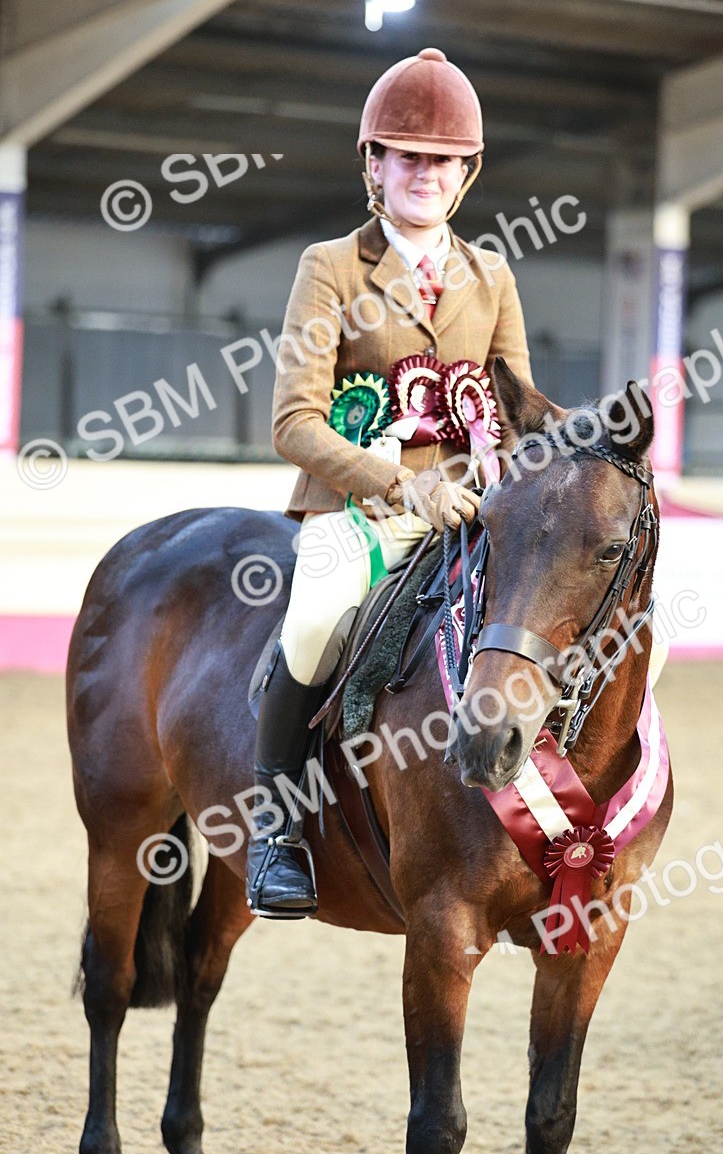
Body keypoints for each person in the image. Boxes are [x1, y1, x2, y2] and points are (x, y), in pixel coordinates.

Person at [245, 47, 535, 918]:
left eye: (443, 161)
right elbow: (294, 422)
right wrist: (399, 486)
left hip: (473, 512)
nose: (425, 174)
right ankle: (276, 832)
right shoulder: (330, 267)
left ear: (465, 175)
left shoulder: (492, 275)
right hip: (359, 514)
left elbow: (517, 408)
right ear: (373, 164)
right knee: (314, 621)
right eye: (408, 156)